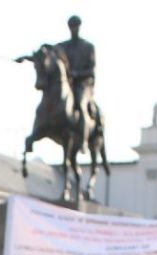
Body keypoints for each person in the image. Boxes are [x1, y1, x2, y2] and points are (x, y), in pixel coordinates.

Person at [57, 15, 96, 154]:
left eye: (75, 26)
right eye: (71, 26)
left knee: (80, 104)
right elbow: (46, 55)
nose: (73, 29)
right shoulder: (62, 46)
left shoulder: (88, 47)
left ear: (79, 27)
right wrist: (26, 58)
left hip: (83, 85)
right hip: (67, 85)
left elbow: (91, 69)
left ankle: (84, 141)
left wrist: (76, 74)